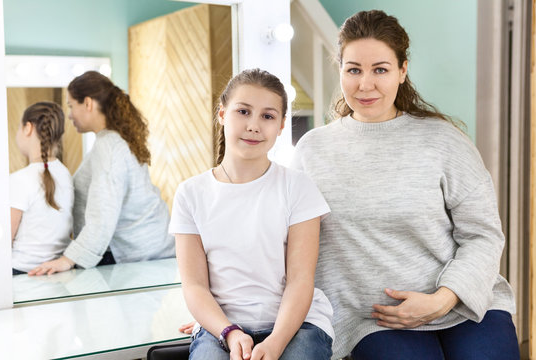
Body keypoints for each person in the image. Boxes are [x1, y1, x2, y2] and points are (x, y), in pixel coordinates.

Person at [291, 10, 519, 360]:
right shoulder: (311, 151)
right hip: (374, 317)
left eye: (380, 69)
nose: (365, 84)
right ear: (340, 71)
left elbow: (483, 235)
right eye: (354, 69)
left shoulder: (443, 140)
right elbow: (284, 238)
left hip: (463, 302)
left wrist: (444, 298)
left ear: (402, 71)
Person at [170, 68, 334, 360]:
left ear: (282, 125)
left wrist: (275, 343)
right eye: (243, 111)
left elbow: (300, 280)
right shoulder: (190, 193)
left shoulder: (298, 187)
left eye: (268, 116)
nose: (254, 125)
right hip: (221, 328)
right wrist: (228, 332)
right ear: (222, 114)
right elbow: (195, 286)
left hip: (297, 325)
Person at [29, 71, 174, 275]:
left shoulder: (110, 147)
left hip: (141, 256)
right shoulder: (111, 141)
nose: (69, 114)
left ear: (88, 103)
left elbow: (103, 215)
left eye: (71, 106)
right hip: (147, 250)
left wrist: (68, 259)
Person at [10, 101, 74, 275]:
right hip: (56, 273)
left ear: (28, 128)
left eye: (18, 128)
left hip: (21, 272)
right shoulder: (66, 174)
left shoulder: (19, 179)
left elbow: (5, 238)